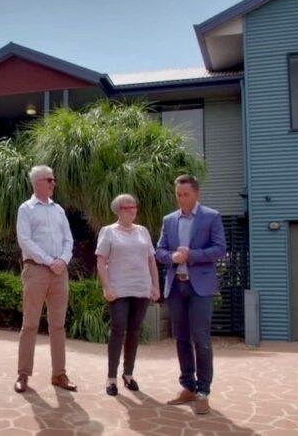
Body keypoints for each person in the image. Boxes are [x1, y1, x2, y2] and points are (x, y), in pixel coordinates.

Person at [155, 174, 226, 414]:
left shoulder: (211, 216)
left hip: (201, 288)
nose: (182, 199)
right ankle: (188, 386)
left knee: (201, 339)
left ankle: (203, 391)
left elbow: (220, 249)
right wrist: (172, 257)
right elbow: (159, 251)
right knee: (181, 338)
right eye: (178, 195)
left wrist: (192, 255)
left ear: (196, 194)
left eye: (186, 194)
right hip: (176, 286)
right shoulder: (169, 220)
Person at [14, 165, 77, 393]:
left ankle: (59, 374)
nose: (53, 183)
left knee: (58, 326)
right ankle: (23, 374)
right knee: (30, 324)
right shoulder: (26, 209)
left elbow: (69, 239)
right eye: (49, 180)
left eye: (53, 179)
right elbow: (25, 240)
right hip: (36, 271)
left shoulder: (58, 210)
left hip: (60, 273)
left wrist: (63, 260)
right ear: (37, 182)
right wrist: (50, 261)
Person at [96, 194, 160, 396]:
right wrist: (107, 287)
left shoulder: (143, 231)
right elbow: (101, 262)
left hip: (141, 288)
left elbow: (151, 261)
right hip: (119, 290)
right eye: (127, 207)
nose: (132, 210)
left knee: (134, 331)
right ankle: (111, 378)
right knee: (118, 329)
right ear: (118, 210)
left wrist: (155, 286)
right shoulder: (108, 231)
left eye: (134, 207)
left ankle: (128, 374)